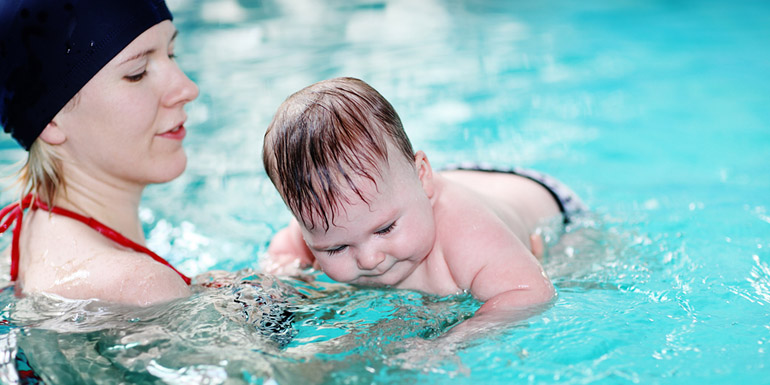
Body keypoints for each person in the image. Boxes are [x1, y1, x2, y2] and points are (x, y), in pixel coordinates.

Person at [262, 77, 587, 327]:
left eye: (386, 229)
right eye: (336, 249)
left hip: (543, 198)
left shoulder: (467, 232)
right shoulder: (344, 215)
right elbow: (287, 248)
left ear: (422, 178)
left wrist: (451, 341)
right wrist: (280, 276)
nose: (370, 259)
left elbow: (531, 293)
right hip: (401, 184)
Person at [0, 0, 199, 306]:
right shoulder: (140, 287)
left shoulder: (23, 238)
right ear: (51, 120)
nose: (187, 88)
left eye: (172, 54)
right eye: (138, 73)